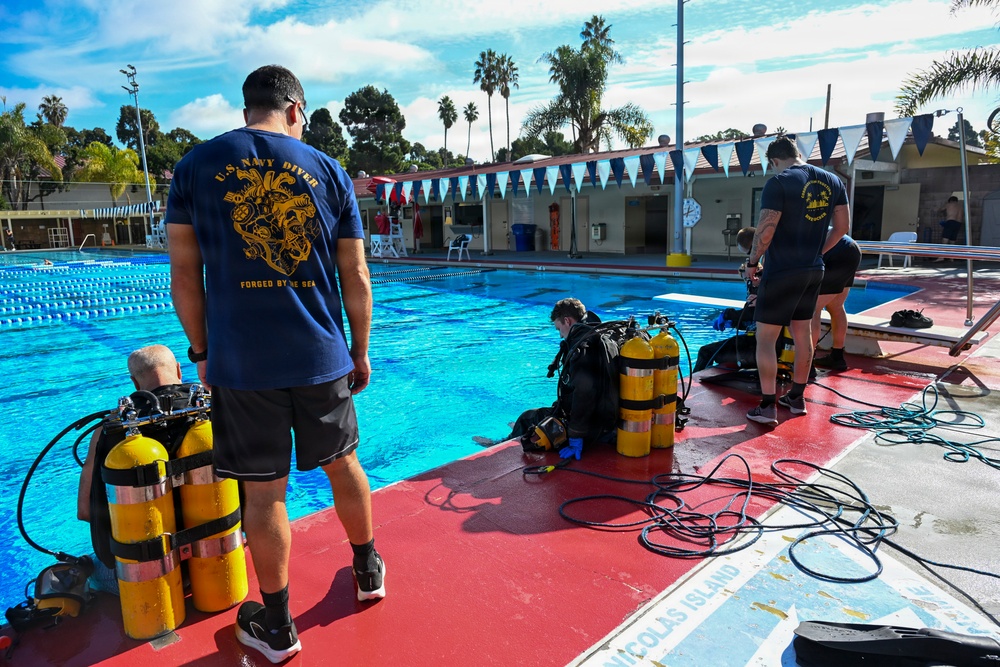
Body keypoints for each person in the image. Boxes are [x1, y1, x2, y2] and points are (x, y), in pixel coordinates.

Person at [166, 65, 382, 664]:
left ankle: (279, 626)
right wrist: (358, 351)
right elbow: (356, 275)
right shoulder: (329, 170)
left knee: (264, 498)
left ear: (247, 110)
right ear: (295, 109)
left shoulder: (194, 167)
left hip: (242, 365)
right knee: (344, 466)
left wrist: (204, 353)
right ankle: (368, 572)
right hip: (321, 357)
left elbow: (185, 277)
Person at [744, 136, 850, 426]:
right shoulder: (833, 181)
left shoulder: (778, 183)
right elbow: (842, 228)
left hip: (781, 271)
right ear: (798, 153)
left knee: (766, 339)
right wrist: (817, 252)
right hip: (814, 270)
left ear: (774, 160)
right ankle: (796, 398)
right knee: (803, 333)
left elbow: (765, 231)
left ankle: (767, 407)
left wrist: (752, 263)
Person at [77, 344, 187, 594]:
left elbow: (85, 511)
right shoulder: (211, 409)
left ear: (135, 383)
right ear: (179, 370)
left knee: (87, 571)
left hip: (144, 576)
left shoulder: (111, 429)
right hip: (215, 552)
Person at [507, 298, 616, 460]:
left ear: (567, 320)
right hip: (608, 418)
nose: (560, 335)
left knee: (527, 418)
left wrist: (576, 435)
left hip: (591, 425)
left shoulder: (582, 349)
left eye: (559, 329)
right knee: (535, 417)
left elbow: (584, 394)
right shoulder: (599, 334)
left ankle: (501, 443)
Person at [812, 235, 862, 371]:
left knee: (812, 309)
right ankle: (837, 356)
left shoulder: (783, 237)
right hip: (852, 248)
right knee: (836, 307)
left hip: (834, 251)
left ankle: (808, 362)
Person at [935, 196, 963, 261]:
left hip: (950, 221)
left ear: (950, 200)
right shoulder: (961, 207)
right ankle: (951, 257)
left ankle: (941, 257)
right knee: (952, 241)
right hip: (958, 223)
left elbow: (940, 210)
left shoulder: (949, 204)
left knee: (945, 240)